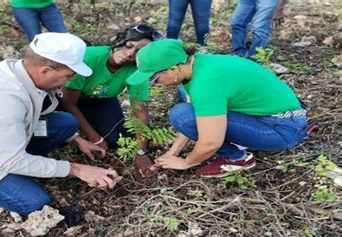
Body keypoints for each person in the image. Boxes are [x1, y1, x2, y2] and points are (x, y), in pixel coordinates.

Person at [0, 33, 121, 216]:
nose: (72, 80)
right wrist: (77, 169)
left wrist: (77, 139)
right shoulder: (3, 98)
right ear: (45, 71)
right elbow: (10, 160)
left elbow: (33, 116)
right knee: (34, 202)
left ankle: (27, 167)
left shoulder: (21, 72)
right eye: (69, 75)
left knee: (66, 123)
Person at [127, 39, 308, 177]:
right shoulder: (198, 65)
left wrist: (185, 162)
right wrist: (173, 152)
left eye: (153, 78)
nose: (154, 84)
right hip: (275, 116)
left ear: (173, 69)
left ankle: (239, 159)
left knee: (181, 115)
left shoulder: (206, 84)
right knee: (185, 112)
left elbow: (209, 141)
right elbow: (198, 115)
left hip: (283, 128)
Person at [60, 24, 162, 174]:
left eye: (138, 52)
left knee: (115, 139)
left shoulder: (137, 70)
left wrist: (141, 152)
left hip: (101, 100)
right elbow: (68, 104)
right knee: (67, 125)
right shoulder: (90, 57)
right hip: (69, 100)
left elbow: (140, 112)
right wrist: (95, 138)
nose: (129, 54)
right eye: (129, 45)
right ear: (121, 41)